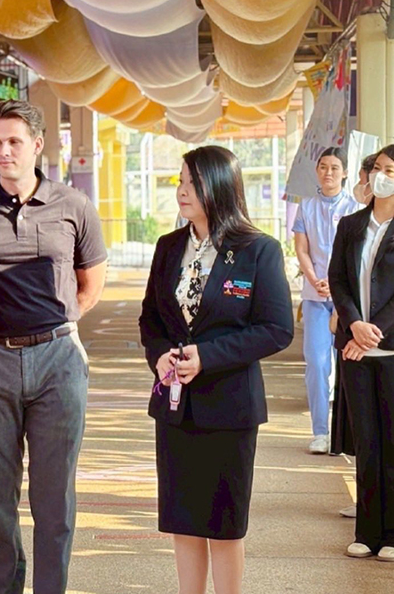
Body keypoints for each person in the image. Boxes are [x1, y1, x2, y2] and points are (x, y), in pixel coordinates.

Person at [0, 99, 108, 593]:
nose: (4, 152)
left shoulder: (73, 206)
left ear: (37, 145)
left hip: (58, 363)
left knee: (55, 500)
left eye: (13, 142)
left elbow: (90, 286)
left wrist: (54, 328)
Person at [139, 146, 293, 594]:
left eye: (193, 182)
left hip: (230, 408)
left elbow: (276, 329)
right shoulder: (169, 247)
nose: (182, 190)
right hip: (176, 409)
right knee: (183, 521)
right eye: (180, 181)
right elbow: (151, 318)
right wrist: (160, 355)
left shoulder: (258, 250)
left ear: (220, 186)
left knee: (224, 524)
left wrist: (208, 356)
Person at [328, 144, 394, 562]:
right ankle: (367, 533)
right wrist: (354, 324)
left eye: (391, 170)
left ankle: (392, 536)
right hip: (354, 350)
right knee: (366, 444)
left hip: (388, 350)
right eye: (378, 168)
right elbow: (338, 278)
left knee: (392, 444)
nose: (381, 176)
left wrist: (372, 333)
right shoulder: (351, 225)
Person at [292, 147, 361, 454]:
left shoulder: (356, 208)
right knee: (318, 363)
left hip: (348, 299)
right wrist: (314, 280)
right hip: (315, 296)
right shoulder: (305, 206)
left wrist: (336, 285)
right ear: (317, 171)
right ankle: (320, 432)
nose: (328, 172)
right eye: (323, 167)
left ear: (345, 173)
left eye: (334, 167)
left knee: (349, 364)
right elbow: (301, 248)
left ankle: (347, 434)